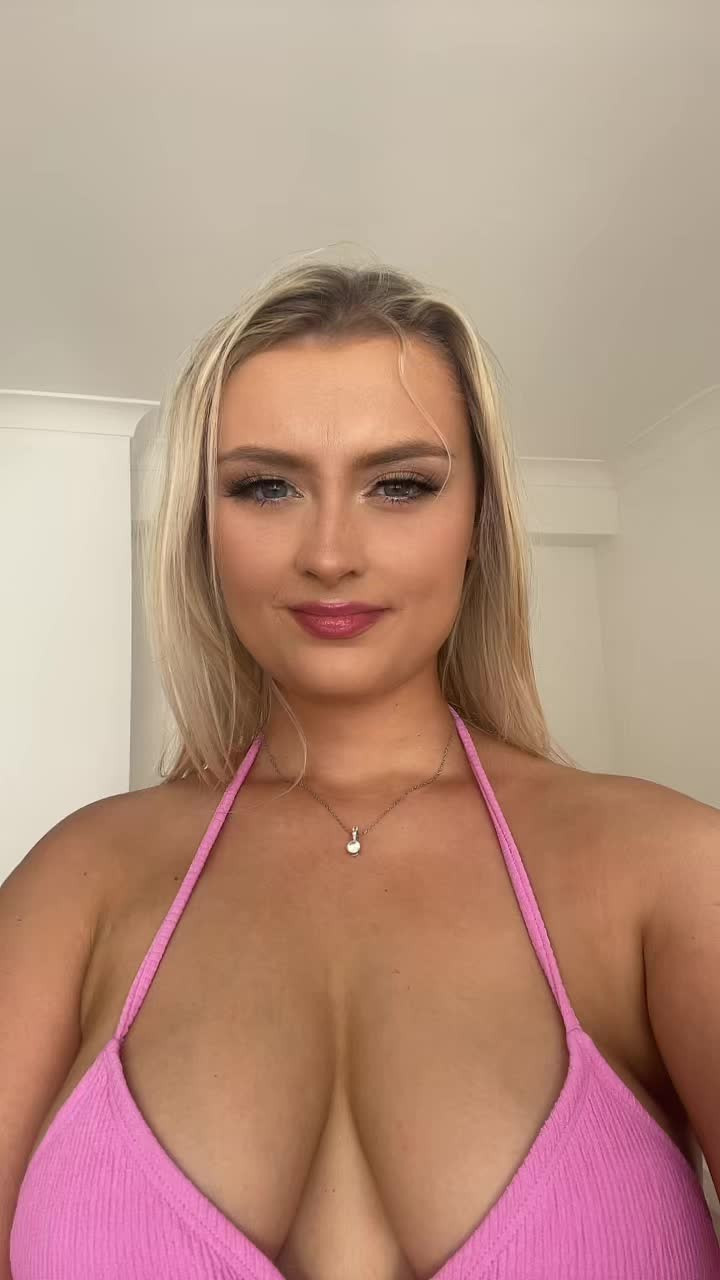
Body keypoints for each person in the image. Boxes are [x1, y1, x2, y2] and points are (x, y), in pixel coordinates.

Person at [3, 258, 719, 1280]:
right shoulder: (73, 885)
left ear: (478, 523)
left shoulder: (672, 872)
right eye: (266, 486)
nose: (331, 552)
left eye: (400, 484)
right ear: (204, 529)